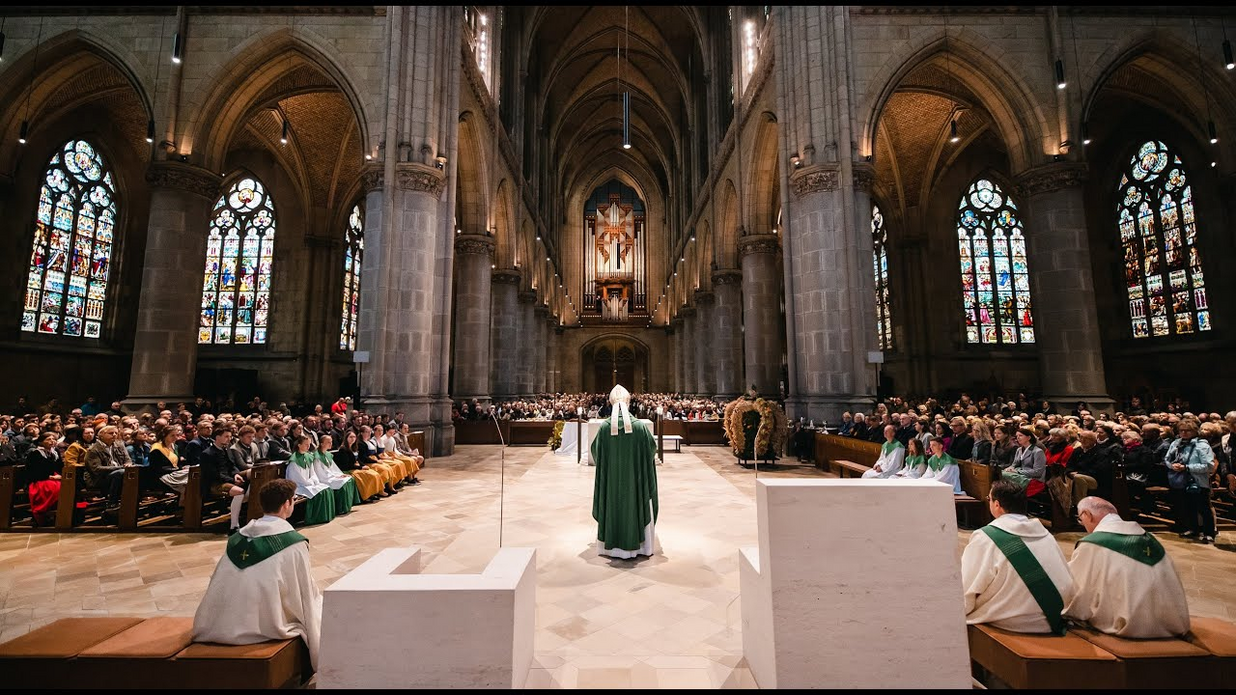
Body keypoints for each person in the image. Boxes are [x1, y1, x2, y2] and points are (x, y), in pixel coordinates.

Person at [193, 479, 321, 669]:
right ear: (287, 504)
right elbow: (302, 592)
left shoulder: (237, 539)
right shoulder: (293, 543)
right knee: (321, 608)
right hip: (265, 625)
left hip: (218, 624)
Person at [1063, 497, 1190, 638]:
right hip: (1171, 625)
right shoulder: (1151, 540)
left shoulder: (1093, 544)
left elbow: (1077, 592)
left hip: (1129, 627)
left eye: (1081, 519)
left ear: (1087, 514)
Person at [961, 479, 1074, 634]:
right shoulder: (1045, 535)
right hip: (1051, 621)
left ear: (997, 505)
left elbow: (967, 588)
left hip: (1011, 623)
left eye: (989, 499)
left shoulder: (985, 537)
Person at [591, 384, 659, 559]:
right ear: (628, 403)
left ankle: (610, 546)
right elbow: (652, 449)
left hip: (612, 483)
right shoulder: (640, 427)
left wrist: (612, 465)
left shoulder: (605, 428)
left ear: (611, 403)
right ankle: (640, 546)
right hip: (635, 483)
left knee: (612, 499)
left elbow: (596, 453)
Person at [1164, 420, 1216, 543]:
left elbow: (1209, 466)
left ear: (1195, 431)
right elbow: (1166, 459)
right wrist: (1172, 465)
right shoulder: (1175, 443)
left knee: (1203, 508)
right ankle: (1193, 529)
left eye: (1187, 430)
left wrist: (1187, 467)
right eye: (1181, 430)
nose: (1184, 433)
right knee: (1187, 507)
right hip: (1181, 480)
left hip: (1197, 481)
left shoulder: (1202, 445)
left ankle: (1209, 533)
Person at [199, 427, 250, 533]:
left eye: (230, 437)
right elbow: (213, 475)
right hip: (215, 483)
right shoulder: (207, 454)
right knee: (239, 492)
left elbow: (232, 465)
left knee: (254, 476)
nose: (229, 439)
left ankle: (248, 514)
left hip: (228, 478)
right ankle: (234, 525)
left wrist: (236, 474)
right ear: (217, 437)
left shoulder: (227, 449)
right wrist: (232, 480)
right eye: (226, 436)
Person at [286, 434, 336, 526]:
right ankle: (315, 517)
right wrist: (309, 483)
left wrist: (314, 481)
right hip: (299, 486)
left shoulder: (308, 456)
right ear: (299, 445)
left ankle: (326, 516)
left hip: (309, 483)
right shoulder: (294, 461)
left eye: (309, 444)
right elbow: (296, 478)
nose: (308, 446)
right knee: (319, 492)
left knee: (327, 489)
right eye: (306, 444)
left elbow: (313, 472)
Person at [312, 434, 360, 515]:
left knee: (350, 479)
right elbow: (319, 472)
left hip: (332, 475)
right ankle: (340, 508)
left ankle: (348, 506)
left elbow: (333, 468)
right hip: (324, 478)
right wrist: (336, 476)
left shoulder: (327, 454)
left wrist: (340, 474)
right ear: (322, 444)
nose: (331, 444)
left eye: (331, 442)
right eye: (328, 442)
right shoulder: (317, 457)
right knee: (342, 483)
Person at [83, 425, 129, 509]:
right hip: (98, 478)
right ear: (101, 436)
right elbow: (96, 469)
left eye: (116, 433)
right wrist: (120, 468)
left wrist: (128, 464)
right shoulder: (93, 449)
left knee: (137, 469)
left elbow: (127, 460)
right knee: (120, 473)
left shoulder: (119, 445)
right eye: (111, 433)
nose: (114, 435)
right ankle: (112, 502)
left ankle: (136, 499)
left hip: (117, 474)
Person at [333, 429, 386, 501]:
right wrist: (361, 467)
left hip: (355, 467)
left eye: (354, 437)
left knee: (374, 473)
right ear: (346, 438)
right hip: (348, 469)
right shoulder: (343, 449)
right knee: (367, 476)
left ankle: (372, 493)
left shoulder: (353, 447)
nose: (353, 439)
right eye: (350, 437)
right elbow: (347, 465)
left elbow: (358, 460)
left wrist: (363, 465)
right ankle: (365, 496)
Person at [24, 431, 62, 526]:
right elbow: (32, 471)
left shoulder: (55, 452)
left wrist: (60, 475)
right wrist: (50, 477)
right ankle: (45, 513)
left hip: (54, 477)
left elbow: (60, 466)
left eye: (53, 439)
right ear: (41, 442)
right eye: (48, 439)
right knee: (54, 487)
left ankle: (62, 513)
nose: (52, 441)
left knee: (67, 485)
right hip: (39, 480)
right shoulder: (35, 453)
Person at [149, 424, 189, 494]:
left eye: (176, 435)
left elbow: (178, 464)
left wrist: (182, 468)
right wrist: (177, 470)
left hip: (175, 473)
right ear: (165, 435)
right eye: (172, 435)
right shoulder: (157, 448)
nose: (175, 438)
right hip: (163, 477)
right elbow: (156, 468)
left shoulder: (175, 447)